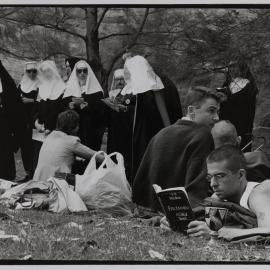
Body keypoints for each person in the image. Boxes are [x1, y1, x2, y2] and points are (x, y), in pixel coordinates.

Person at [132, 86, 220, 211]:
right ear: (191, 110)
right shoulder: (203, 135)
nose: (217, 117)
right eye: (211, 111)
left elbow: (140, 185)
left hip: (145, 209)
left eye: (217, 112)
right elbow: (197, 190)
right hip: (178, 212)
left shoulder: (161, 133)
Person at [162, 145, 270, 237]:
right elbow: (208, 223)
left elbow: (267, 231)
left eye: (220, 176)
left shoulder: (257, 195)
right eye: (210, 177)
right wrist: (175, 222)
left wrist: (214, 233)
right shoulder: (219, 197)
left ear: (240, 175)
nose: (213, 184)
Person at [122, 55, 182, 182]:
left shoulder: (154, 85)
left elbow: (162, 111)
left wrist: (169, 131)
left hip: (152, 133)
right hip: (139, 134)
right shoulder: (137, 87)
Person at [33, 110, 104, 182]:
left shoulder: (50, 136)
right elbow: (99, 157)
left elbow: (60, 154)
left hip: (39, 180)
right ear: (74, 126)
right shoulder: (71, 141)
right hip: (56, 183)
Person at [62, 60, 106, 151]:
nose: (82, 74)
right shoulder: (69, 91)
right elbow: (63, 111)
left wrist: (88, 108)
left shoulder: (97, 92)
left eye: (85, 71)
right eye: (79, 71)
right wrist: (69, 107)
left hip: (91, 131)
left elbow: (102, 113)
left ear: (88, 72)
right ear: (76, 73)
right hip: (74, 130)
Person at [33, 60, 66, 172]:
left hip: (56, 129)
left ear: (53, 71)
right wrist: (36, 122)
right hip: (41, 130)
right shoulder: (41, 87)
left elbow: (61, 111)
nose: (46, 73)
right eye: (43, 71)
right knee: (39, 155)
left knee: (53, 157)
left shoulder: (62, 88)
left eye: (48, 71)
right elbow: (37, 109)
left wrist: (52, 128)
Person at [219, 60, 258, 151]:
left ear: (241, 67)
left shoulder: (250, 85)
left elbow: (245, 104)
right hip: (225, 123)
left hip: (242, 124)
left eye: (234, 66)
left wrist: (228, 99)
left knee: (241, 150)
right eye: (230, 66)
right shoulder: (228, 83)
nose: (231, 69)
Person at [105, 68, 136, 181]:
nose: (119, 82)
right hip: (114, 131)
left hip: (126, 130)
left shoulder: (131, 93)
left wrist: (125, 109)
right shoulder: (111, 93)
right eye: (117, 80)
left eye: (122, 79)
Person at [0, 60, 28, 180]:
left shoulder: (6, 83)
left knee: (4, 152)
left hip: (4, 124)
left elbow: (15, 107)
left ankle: (6, 179)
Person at [17, 62, 39, 181]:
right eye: (29, 71)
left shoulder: (40, 85)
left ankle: (34, 173)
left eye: (34, 71)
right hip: (23, 121)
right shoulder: (21, 84)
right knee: (25, 147)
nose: (31, 73)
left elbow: (44, 102)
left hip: (34, 121)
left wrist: (30, 100)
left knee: (34, 147)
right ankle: (27, 173)